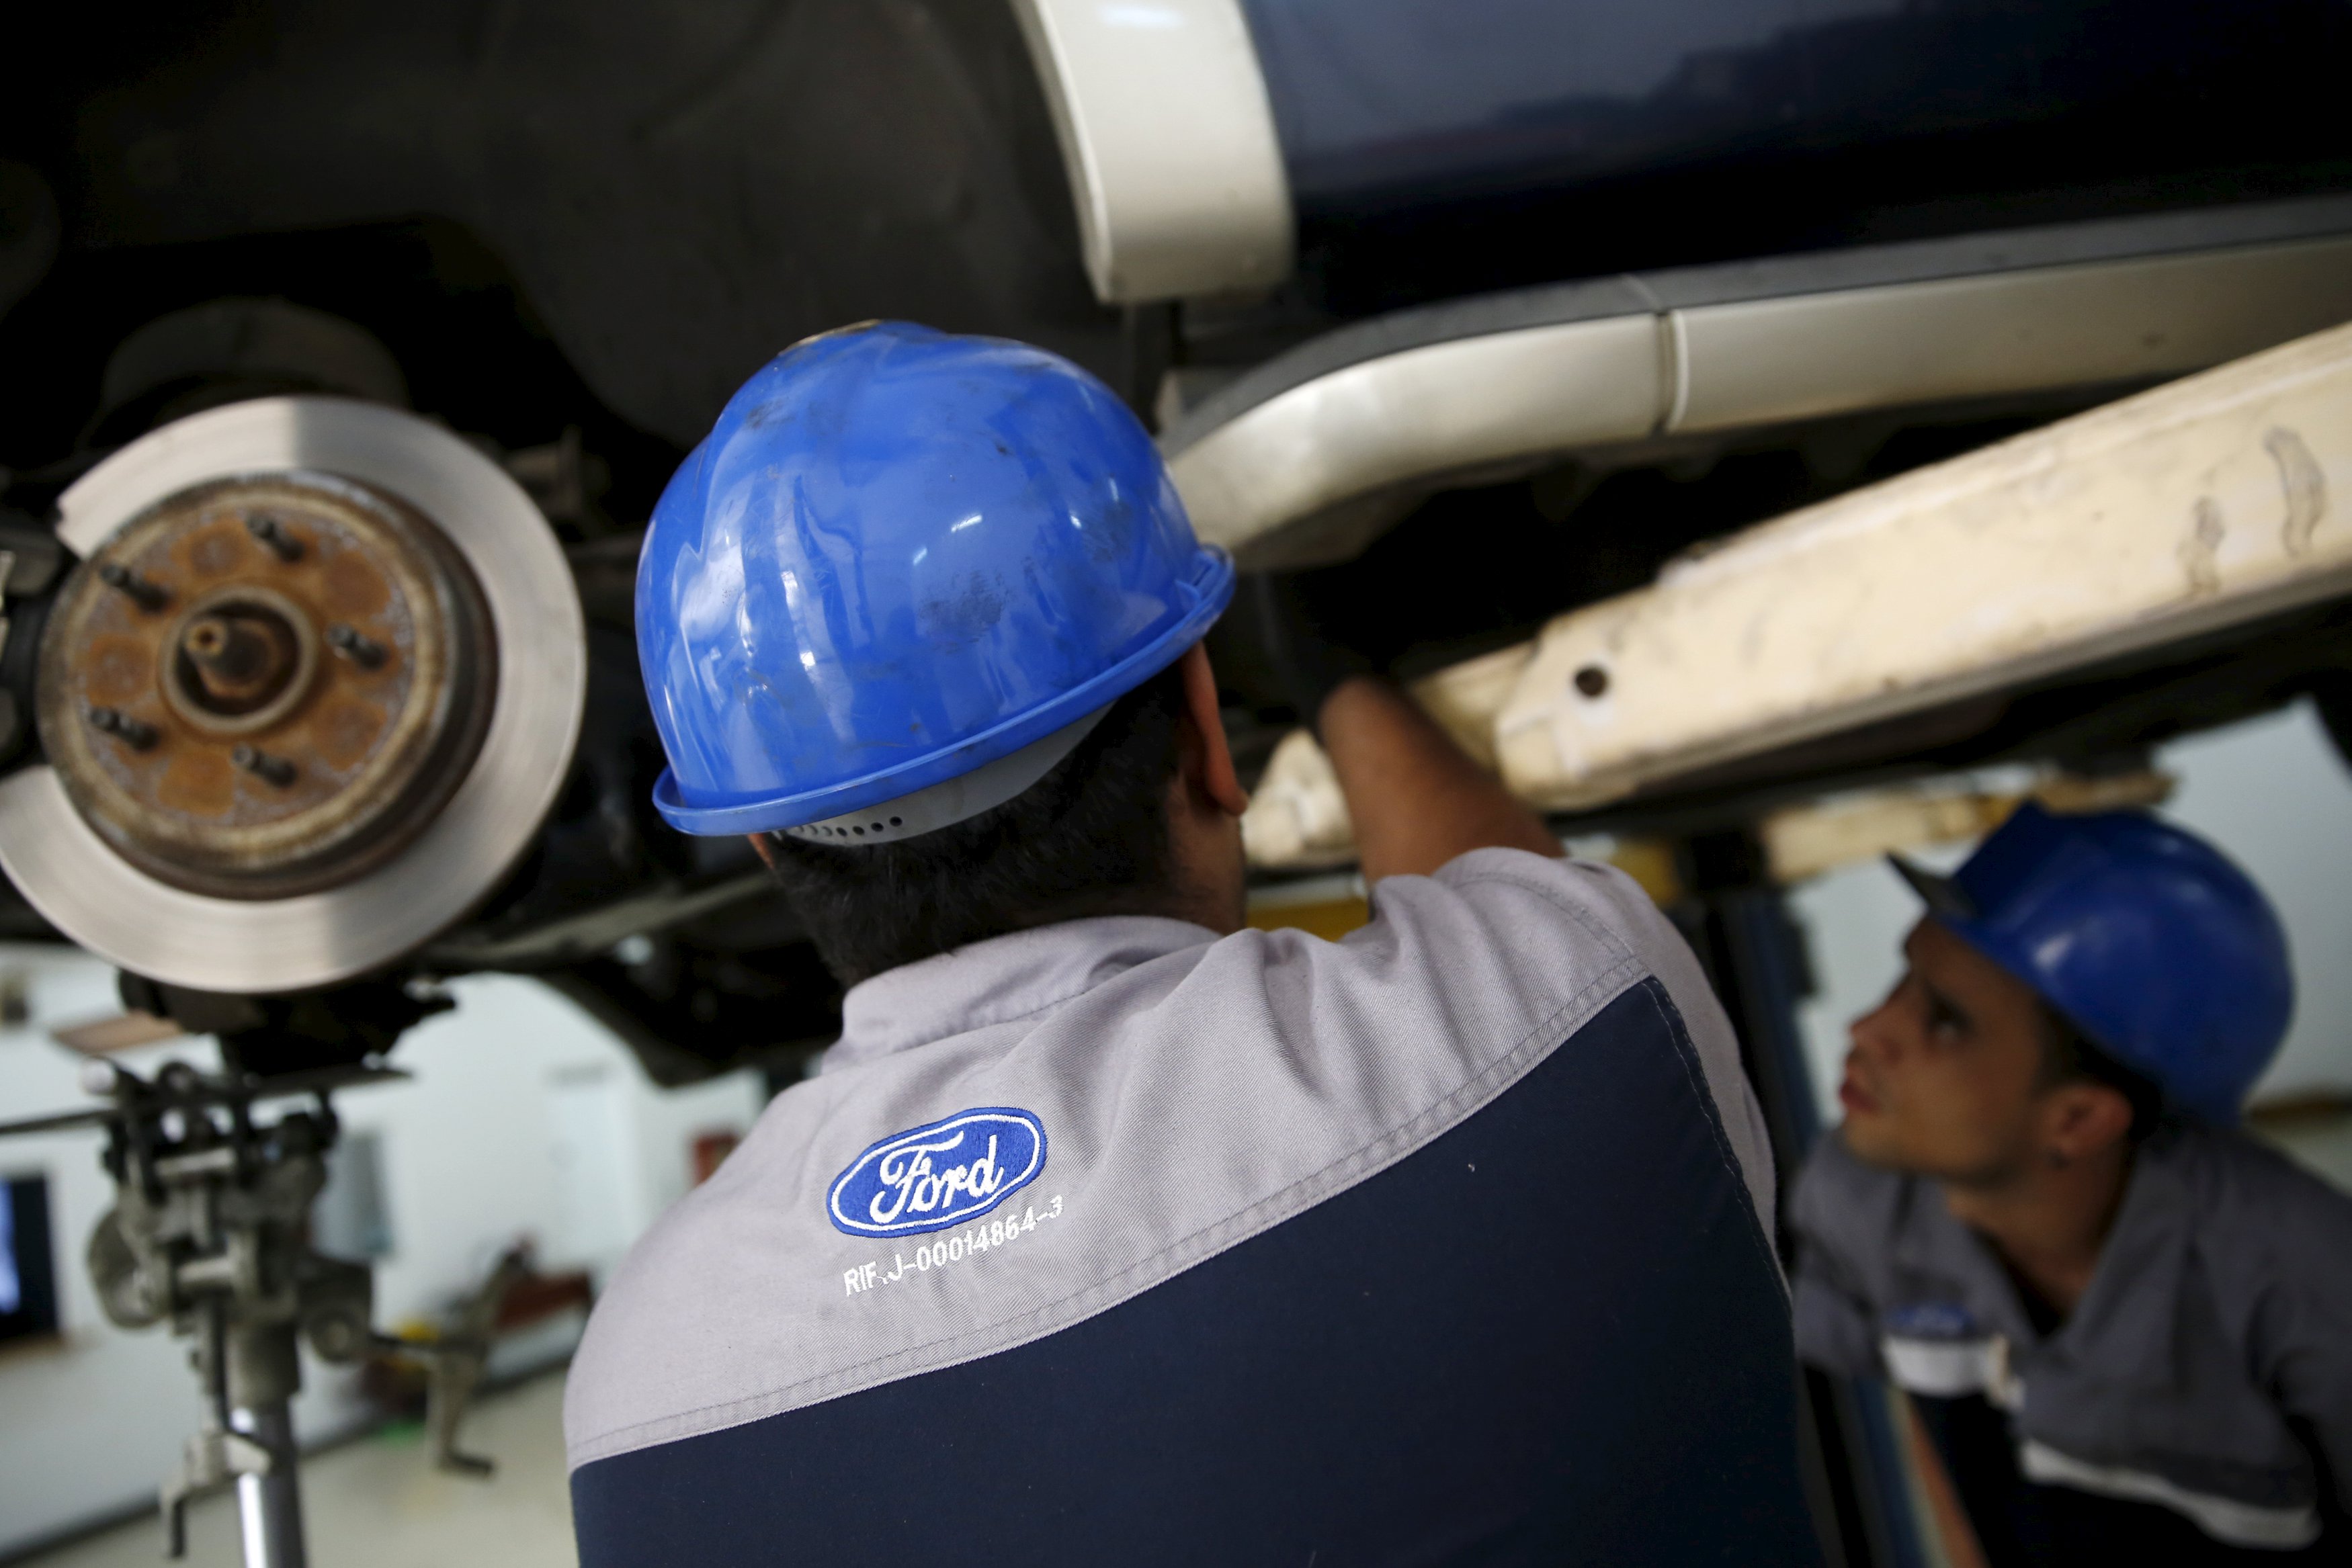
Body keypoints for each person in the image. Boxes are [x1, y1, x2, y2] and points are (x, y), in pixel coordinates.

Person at [563, 322, 1818, 1564]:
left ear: (768, 843)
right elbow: (1501, 910)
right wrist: (1339, 677)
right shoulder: (1582, 1006)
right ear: (1211, 732)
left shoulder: (638, 1384)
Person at [1791, 802, 2352, 1563]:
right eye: (1903, 979)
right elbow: (1915, 1388)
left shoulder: (2296, 1275)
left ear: (2078, 1119)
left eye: (1945, 1020)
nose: (1867, 1027)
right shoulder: (1861, 1200)